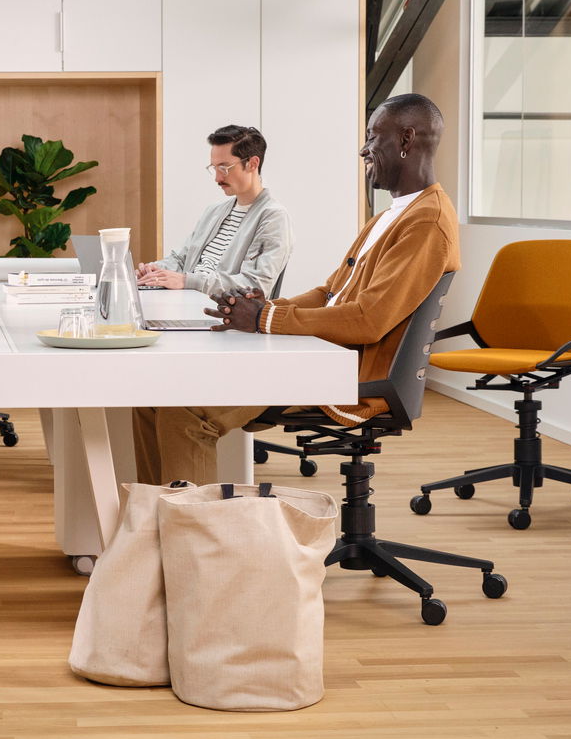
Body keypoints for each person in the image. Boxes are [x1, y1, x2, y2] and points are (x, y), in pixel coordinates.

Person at [131, 94, 460, 485]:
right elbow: (328, 293)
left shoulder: (426, 221)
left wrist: (267, 317)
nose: (363, 149)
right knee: (149, 400)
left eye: (373, 137)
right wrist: (260, 310)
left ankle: (191, 540)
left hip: (344, 376)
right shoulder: (389, 217)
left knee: (183, 413)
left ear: (406, 140)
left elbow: (369, 320)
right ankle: (154, 522)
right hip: (320, 356)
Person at [136, 125, 292, 298]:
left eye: (225, 168)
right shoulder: (214, 211)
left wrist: (186, 281)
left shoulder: (273, 218)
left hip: (219, 314)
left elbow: (255, 286)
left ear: (253, 163)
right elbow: (182, 259)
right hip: (187, 300)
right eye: (214, 168)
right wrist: (155, 271)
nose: (217, 178)